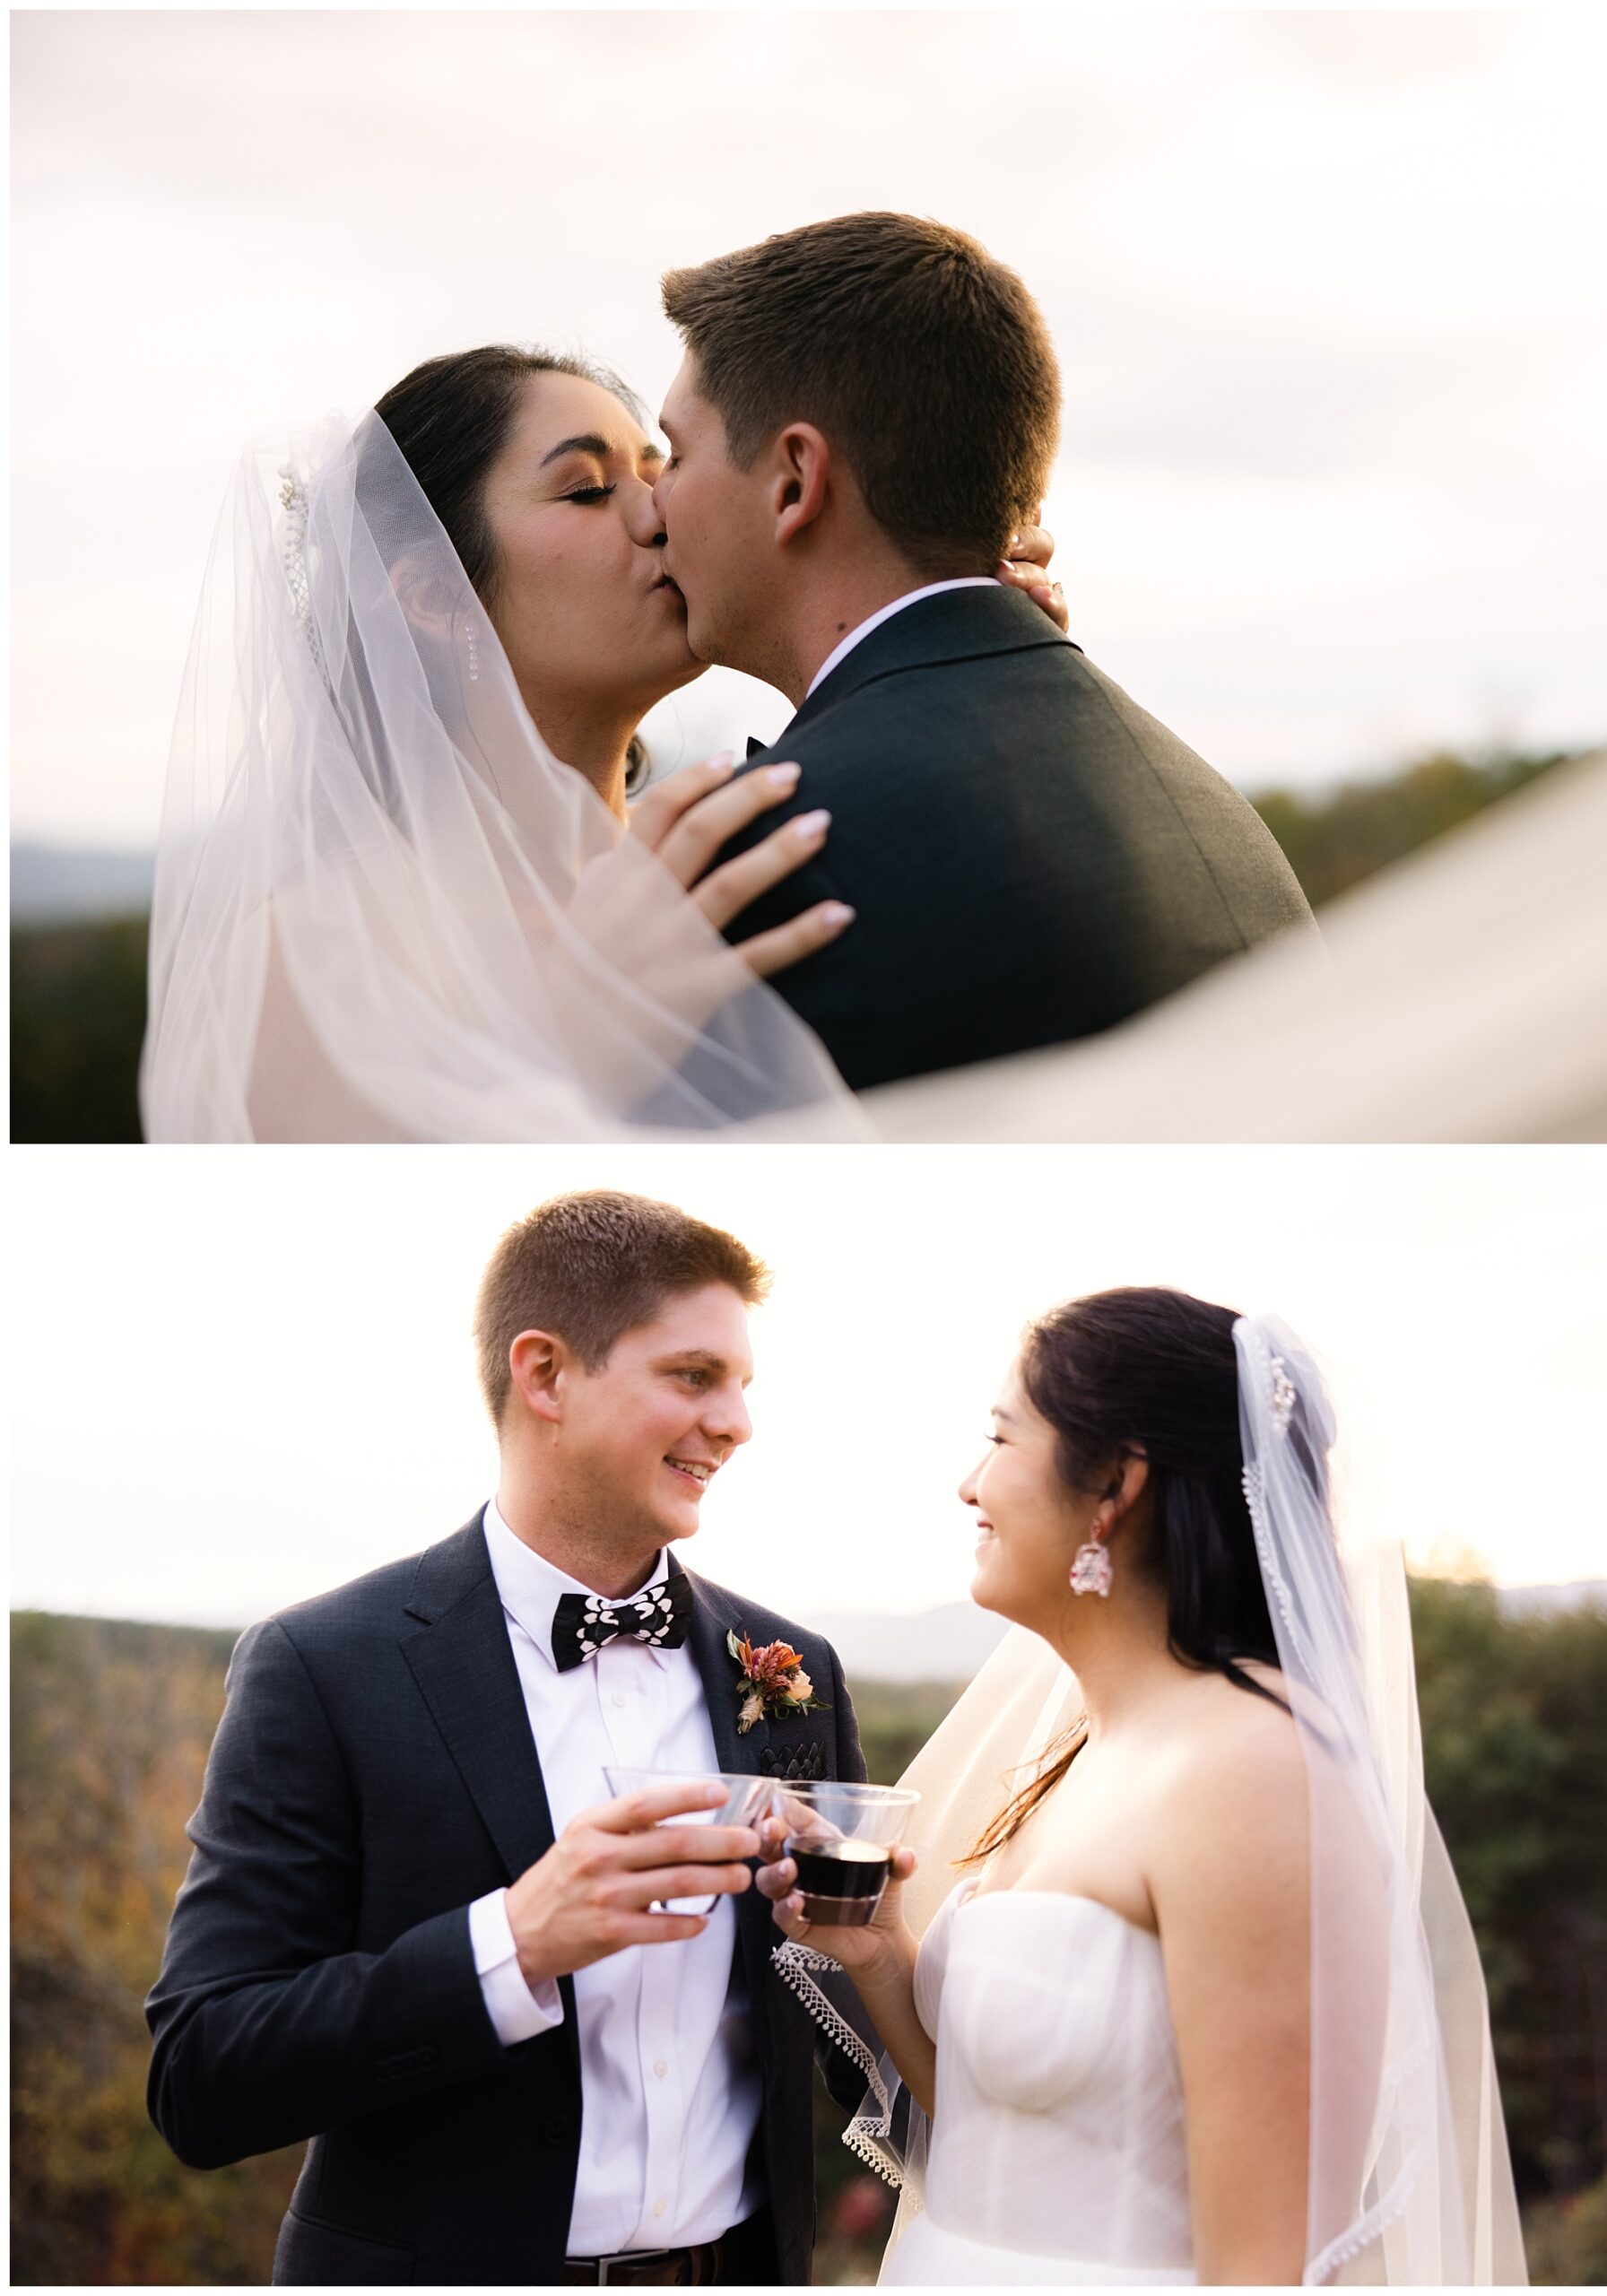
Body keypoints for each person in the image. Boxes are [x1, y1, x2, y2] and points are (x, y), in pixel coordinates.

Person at [145, 1190, 872, 2285]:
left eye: (740, 1385)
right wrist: (513, 1944)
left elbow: (851, 2052)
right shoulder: (323, 1665)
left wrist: (868, 1954)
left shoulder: (792, 1670)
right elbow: (203, 2075)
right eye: (692, 1376)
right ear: (544, 1375)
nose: (735, 1422)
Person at [759, 1289, 1526, 2285]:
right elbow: (1008, 2138)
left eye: (999, 1436)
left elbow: (1267, 2261)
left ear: (1113, 1484)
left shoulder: (1256, 1769)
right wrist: (878, 1956)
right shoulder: (1093, 1743)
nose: (966, 1484)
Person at [140, 344, 1064, 1142]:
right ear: (427, 595)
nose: (657, 515)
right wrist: (572, 1051)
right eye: (587, 490)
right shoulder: (313, 957)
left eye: (659, 476)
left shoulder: (719, 854)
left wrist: (955, 644)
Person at [656, 213, 1316, 1092]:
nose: (651, 504)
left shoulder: (765, 863)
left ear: (792, 482)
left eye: (672, 452)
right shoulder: (1219, 813)